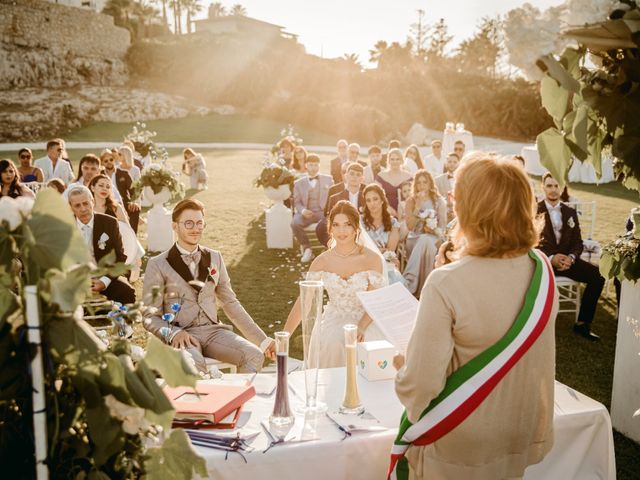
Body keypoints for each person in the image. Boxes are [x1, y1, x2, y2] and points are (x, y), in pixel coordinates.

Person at [393, 155, 557, 480]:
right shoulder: (542, 268)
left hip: (459, 441)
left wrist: (402, 368)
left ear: (468, 209)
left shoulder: (445, 283)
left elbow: (421, 385)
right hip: (520, 431)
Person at [143, 199, 275, 373]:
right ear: (175, 226)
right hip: (182, 334)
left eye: (199, 223)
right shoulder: (157, 264)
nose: (195, 228)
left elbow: (230, 303)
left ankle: (239, 399)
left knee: (254, 354)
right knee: (193, 364)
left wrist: (263, 341)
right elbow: (149, 315)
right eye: (188, 223)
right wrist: (172, 332)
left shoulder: (215, 257)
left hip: (214, 332)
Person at [283, 201, 387, 368]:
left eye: (347, 224)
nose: (342, 231)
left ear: (356, 227)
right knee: (334, 342)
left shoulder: (372, 259)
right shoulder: (321, 261)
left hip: (365, 320)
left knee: (361, 345)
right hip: (334, 320)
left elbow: (375, 302)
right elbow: (305, 301)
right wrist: (284, 336)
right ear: (330, 228)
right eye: (336, 225)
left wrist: (360, 327)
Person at [538, 172, 604, 340]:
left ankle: (582, 323)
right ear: (543, 187)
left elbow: (578, 242)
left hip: (568, 263)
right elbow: (529, 243)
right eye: (549, 186)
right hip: (544, 264)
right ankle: (535, 323)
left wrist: (572, 258)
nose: (553, 190)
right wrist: (551, 257)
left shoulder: (570, 213)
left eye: (556, 186)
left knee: (598, 276)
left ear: (562, 187)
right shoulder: (534, 210)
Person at [67, 186, 136, 305]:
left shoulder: (110, 223)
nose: (83, 209)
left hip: (105, 275)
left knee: (127, 292)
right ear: (71, 207)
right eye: (77, 205)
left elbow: (120, 257)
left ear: (92, 202)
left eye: (86, 203)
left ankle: (116, 316)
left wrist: (104, 281)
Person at [402, 169, 447, 295]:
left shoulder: (439, 201)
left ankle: (410, 281)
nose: (422, 186)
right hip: (414, 238)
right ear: (415, 185)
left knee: (426, 240)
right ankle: (427, 287)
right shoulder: (411, 201)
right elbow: (410, 227)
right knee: (424, 240)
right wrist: (417, 206)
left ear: (430, 184)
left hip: (434, 237)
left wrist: (432, 230)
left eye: (425, 183)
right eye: (419, 183)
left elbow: (443, 227)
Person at [290, 154, 333, 263]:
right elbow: (297, 201)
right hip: (306, 212)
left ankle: (328, 248)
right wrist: (303, 211)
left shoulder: (328, 179)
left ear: (319, 166)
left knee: (330, 223)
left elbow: (333, 197)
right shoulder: (298, 183)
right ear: (306, 165)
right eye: (310, 165)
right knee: (295, 223)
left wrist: (328, 211)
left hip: (322, 212)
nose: (313, 168)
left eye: (315, 165)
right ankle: (307, 248)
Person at [361, 184, 406, 286]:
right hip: (365, 263)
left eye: (375, 199)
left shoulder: (393, 223)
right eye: (368, 200)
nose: (372, 203)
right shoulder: (360, 222)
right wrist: (381, 250)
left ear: (382, 200)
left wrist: (380, 251)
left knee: (392, 278)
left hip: (385, 263)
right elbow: (360, 248)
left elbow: (390, 250)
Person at [317, 162, 365, 247]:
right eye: (352, 174)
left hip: (364, 233)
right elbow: (330, 220)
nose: (354, 177)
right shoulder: (335, 198)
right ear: (346, 176)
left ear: (362, 179)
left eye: (358, 175)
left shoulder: (367, 197)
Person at [102, 148, 140, 232]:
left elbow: (134, 191)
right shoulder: (100, 175)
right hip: (105, 203)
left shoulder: (123, 173)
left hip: (123, 203)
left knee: (135, 209)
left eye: (111, 159)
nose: (109, 162)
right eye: (105, 161)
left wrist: (134, 202)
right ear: (102, 163)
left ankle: (132, 236)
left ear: (114, 160)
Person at [375, 147, 412, 216]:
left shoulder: (409, 176)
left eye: (397, 159)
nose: (395, 162)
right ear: (388, 161)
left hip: (405, 212)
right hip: (386, 211)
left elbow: (413, 196)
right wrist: (387, 208)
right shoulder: (380, 176)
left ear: (402, 160)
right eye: (392, 159)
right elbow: (376, 196)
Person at [435, 152, 460, 223]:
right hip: (443, 216)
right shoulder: (438, 180)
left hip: (460, 216)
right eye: (449, 162)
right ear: (445, 164)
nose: (452, 164)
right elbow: (435, 199)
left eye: (455, 162)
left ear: (459, 164)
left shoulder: (464, 179)